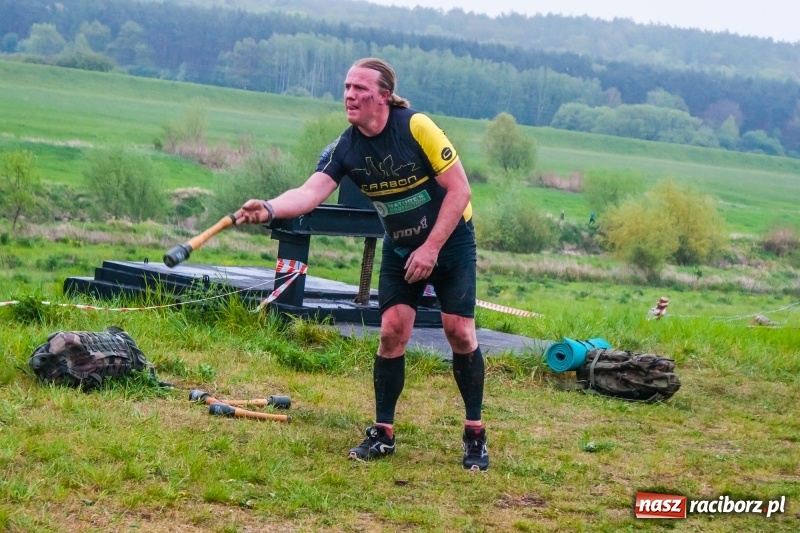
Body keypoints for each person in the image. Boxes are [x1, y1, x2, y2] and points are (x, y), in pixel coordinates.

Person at [234, 58, 488, 471]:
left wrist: (432, 249)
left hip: (451, 241)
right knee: (392, 331)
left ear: (384, 96)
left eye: (360, 89)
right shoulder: (346, 147)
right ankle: (383, 433)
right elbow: (310, 192)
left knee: (459, 332)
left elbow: (460, 190)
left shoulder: (417, 127)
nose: (349, 96)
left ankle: (474, 434)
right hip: (401, 247)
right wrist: (269, 207)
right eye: (347, 87)